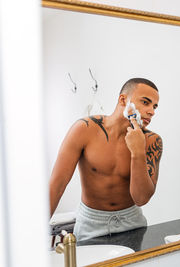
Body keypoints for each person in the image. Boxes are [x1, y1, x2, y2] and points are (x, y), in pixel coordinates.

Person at [49, 78, 163, 241]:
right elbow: (57, 185)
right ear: (123, 100)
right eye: (146, 102)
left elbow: (141, 198)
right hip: (90, 223)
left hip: (132, 223)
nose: (152, 111)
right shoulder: (84, 129)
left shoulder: (152, 141)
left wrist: (138, 152)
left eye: (155, 106)